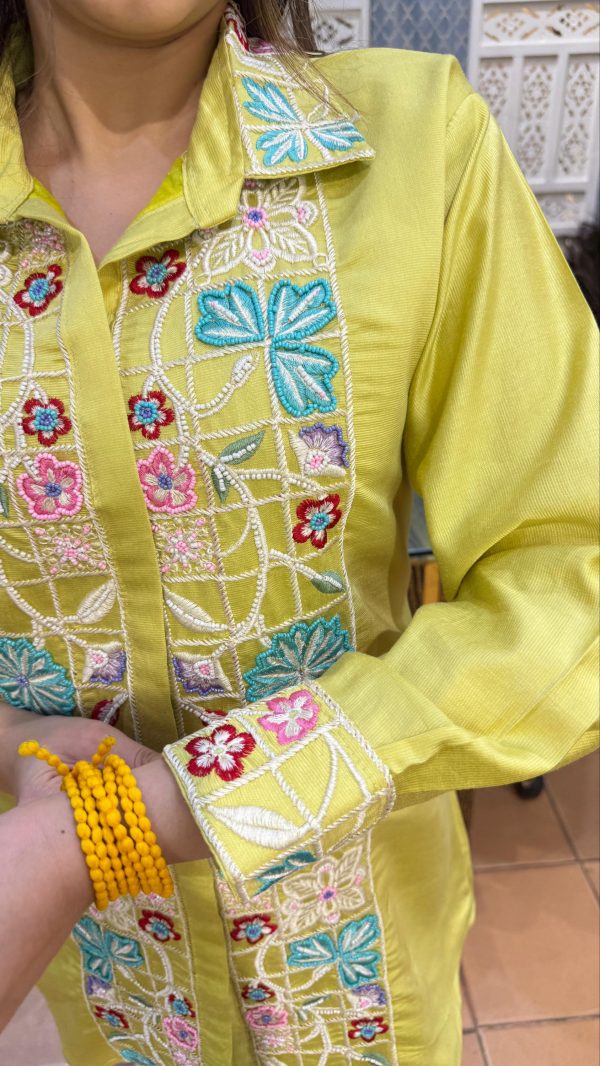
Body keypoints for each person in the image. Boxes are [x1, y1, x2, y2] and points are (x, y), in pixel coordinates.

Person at [0, 1, 598, 1063]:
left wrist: (152, 816)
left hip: (363, 972)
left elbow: (568, 577)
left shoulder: (414, 147)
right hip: (103, 989)